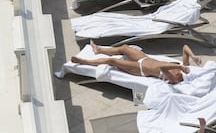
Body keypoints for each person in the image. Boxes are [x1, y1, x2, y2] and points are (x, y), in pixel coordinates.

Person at [71, 40, 203, 84]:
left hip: (140, 69)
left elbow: (163, 67)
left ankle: (85, 62)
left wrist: (180, 66)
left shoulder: (175, 79)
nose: (181, 74)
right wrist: (193, 56)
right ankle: (98, 50)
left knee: (112, 61)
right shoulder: (185, 69)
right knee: (124, 48)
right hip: (144, 58)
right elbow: (185, 47)